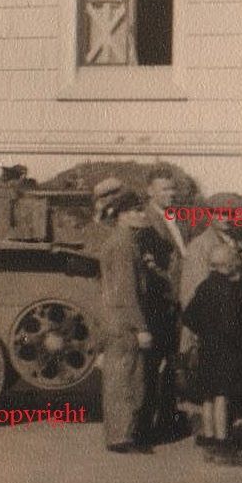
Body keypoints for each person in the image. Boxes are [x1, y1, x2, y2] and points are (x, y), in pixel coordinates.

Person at [183, 244, 242, 466]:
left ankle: (208, 436)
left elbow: (188, 316)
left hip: (207, 347)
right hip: (226, 350)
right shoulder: (229, 290)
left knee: (208, 395)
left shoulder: (204, 286)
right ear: (229, 265)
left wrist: (204, 331)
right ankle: (222, 442)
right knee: (222, 395)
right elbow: (231, 326)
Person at [98, 190, 153, 454]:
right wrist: (141, 328)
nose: (142, 215)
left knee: (122, 378)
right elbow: (126, 292)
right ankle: (121, 437)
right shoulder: (123, 245)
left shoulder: (123, 241)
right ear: (122, 215)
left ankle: (121, 435)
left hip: (117, 320)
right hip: (123, 323)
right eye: (137, 211)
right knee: (125, 380)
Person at [136, 168, 188, 444]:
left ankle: (166, 421)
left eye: (172, 188)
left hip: (173, 301)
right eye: (165, 189)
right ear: (150, 191)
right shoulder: (145, 221)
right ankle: (144, 428)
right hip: (156, 302)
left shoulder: (174, 217)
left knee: (170, 364)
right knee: (151, 366)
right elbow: (149, 268)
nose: (171, 193)